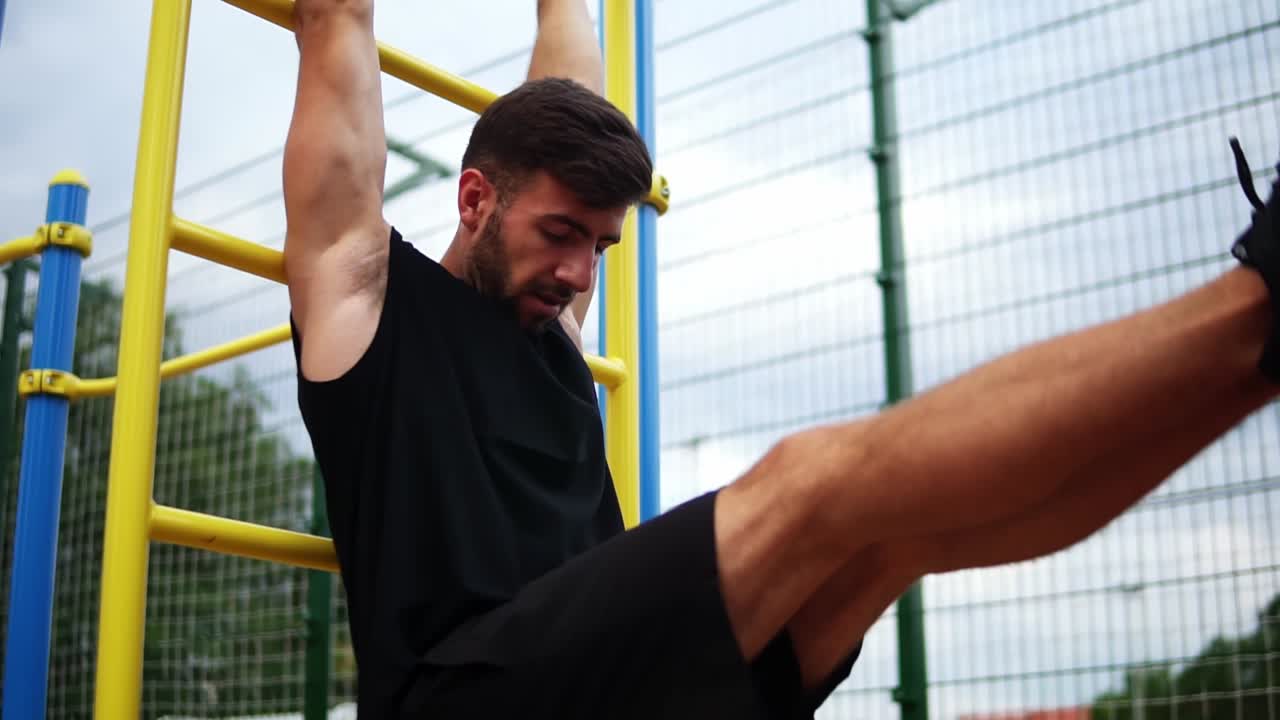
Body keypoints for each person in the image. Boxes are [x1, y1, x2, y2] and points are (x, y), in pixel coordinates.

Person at [282, 1, 1280, 717]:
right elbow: (337, 20)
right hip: (468, 692)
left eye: (601, 245)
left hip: (616, 680)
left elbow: (565, 60)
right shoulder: (363, 297)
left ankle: (1261, 360)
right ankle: (1263, 297)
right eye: (560, 234)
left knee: (893, 544)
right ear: (474, 201)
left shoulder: (554, 326)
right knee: (811, 483)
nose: (582, 272)